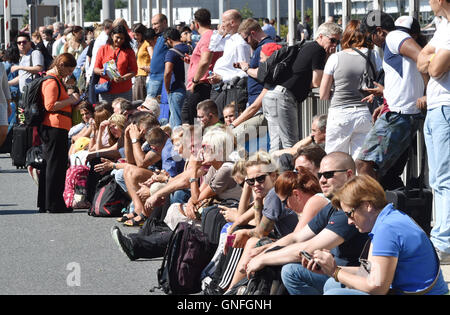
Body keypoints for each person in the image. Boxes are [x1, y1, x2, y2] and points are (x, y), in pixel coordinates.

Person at [244, 152, 368, 295]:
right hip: (332, 271)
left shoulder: (352, 208)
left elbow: (307, 248)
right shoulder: (335, 205)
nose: (321, 180)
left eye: (328, 175)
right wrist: (264, 254)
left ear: (349, 175)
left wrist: (264, 259)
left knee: (324, 285)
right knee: (289, 271)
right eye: (320, 175)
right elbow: (296, 237)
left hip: (350, 275)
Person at [317, 175, 448, 295]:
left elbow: (377, 287)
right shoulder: (387, 218)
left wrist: (335, 272)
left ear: (367, 205)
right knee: (332, 283)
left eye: (349, 213)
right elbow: (370, 273)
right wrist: (330, 268)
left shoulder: (387, 229)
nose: (349, 221)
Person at [226, 166, 328, 290]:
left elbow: (295, 241)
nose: (286, 207)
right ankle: (232, 291)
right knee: (256, 245)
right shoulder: (308, 199)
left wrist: (262, 255)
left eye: (260, 178)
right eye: (250, 181)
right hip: (311, 253)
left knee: (285, 269)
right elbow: (294, 238)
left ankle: (231, 291)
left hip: (328, 266)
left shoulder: (313, 201)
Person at [356, 11, 426, 180]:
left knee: (363, 163)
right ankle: (379, 202)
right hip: (399, 113)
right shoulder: (394, 40)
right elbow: (407, 80)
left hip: (398, 115)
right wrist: (386, 98)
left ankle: (371, 205)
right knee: (382, 171)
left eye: (370, 36)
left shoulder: (394, 37)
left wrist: (427, 93)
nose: (370, 42)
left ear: (379, 31)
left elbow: (423, 59)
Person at [263, 22, 342, 150]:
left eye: (337, 43)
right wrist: (329, 57)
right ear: (321, 36)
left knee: (277, 145)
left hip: (273, 95)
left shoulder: (308, 47)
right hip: (283, 97)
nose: (334, 45)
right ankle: (287, 170)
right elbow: (317, 82)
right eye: (332, 40)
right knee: (291, 145)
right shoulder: (318, 50)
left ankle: (275, 169)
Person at [417, 0, 450, 264]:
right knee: (438, 179)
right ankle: (441, 238)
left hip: (445, 109)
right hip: (437, 108)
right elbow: (422, 60)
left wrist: (430, 60)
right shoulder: (443, 27)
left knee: (444, 177)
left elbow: (435, 68)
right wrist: (430, 59)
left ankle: (444, 243)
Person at [320, 20, 382, 160]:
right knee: (360, 161)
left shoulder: (335, 58)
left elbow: (323, 94)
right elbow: (381, 81)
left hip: (340, 113)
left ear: (346, 36)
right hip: (365, 113)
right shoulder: (374, 55)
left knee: (335, 159)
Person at [37, 53, 80, 213]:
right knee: (55, 166)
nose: (69, 73)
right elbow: (50, 105)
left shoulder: (53, 79)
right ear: (61, 64)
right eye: (68, 69)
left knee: (50, 165)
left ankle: (47, 202)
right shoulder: (52, 81)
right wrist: (71, 99)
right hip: (54, 127)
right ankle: (54, 203)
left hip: (54, 126)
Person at [229, 18, 275, 141]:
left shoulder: (266, 46)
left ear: (253, 34)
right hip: (256, 105)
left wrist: (246, 69)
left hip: (261, 107)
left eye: (246, 39)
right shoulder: (259, 47)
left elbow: (263, 73)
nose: (246, 43)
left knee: (231, 138)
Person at [181, 8, 222, 125]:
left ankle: (194, 143)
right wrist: (192, 59)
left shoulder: (207, 37)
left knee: (192, 122)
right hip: (202, 83)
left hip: (200, 85)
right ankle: (193, 142)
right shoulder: (212, 36)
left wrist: (195, 81)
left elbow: (205, 61)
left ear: (196, 24)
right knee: (191, 120)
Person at [93, 25, 138, 103]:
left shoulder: (129, 51)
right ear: (112, 36)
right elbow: (95, 68)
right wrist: (101, 71)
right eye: (117, 37)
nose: (119, 40)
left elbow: (134, 71)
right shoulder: (103, 49)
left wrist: (123, 78)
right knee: (105, 114)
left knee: (123, 114)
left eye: (122, 38)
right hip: (105, 89)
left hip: (123, 91)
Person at [208, 10, 251, 86]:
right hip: (222, 84)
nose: (222, 25)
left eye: (224, 22)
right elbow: (212, 47)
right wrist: (220, 33)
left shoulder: (240, 43)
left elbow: (244, 72)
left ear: (232, 23)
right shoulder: (229, 39)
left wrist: (222, 78)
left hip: (230, 85)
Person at [163, 27, 190, 128]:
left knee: (177, 123)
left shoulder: (171, 52)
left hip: (177, 89)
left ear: (169, 39)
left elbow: (167, 72)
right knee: (190, 121)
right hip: (191, 88)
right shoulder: (190, 48)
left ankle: (178, 143)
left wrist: (167, 89)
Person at [86, 19, 114, 104]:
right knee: (96, 99)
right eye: (112, 29)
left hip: (95, 69)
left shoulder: (100, 38)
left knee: (95, 97)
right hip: (98, 70)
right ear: (106, 28)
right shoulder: (104, 38)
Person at [147, 14, 169, 98]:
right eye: (152, 24)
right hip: (154, 77)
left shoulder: (168, 36)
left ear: (164, 22)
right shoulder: (159, 37)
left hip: (160, 78)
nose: (153, 27)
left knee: (149, 106)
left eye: (155, 24)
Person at [132, 23, 150, 101]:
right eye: (134, 35)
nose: (135, 37)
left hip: (143, 75)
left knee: (139, 101)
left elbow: (152, 56)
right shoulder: (139, 44)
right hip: (138, 75)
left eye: (137, 35)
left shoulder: (147, 43)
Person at [0, 62, 12, 148]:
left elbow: (5, 86)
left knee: (3, 131)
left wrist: (8, 104)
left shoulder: (1, 65)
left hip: (1, 102)